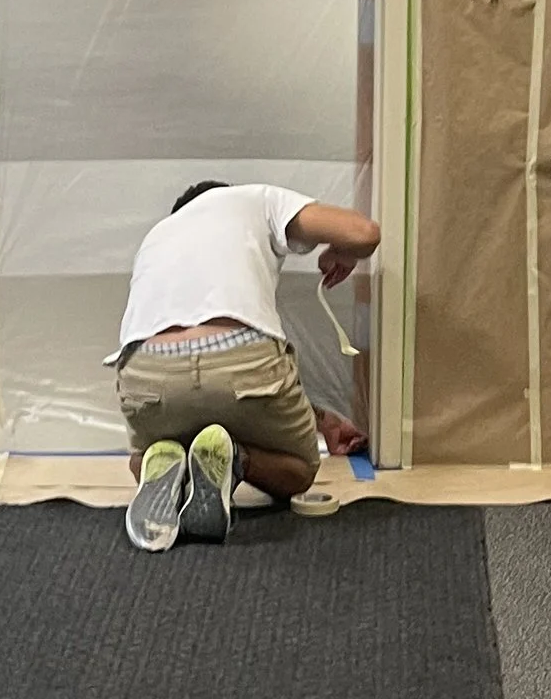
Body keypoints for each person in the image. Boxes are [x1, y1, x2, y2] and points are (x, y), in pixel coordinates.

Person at [116, 179, 380, 554]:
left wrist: (322, 419)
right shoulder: (255, 199)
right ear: (224, 193)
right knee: (299, 471)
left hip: (147, 368)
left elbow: (195, 372)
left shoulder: (158, 235)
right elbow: (364, 233)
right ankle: (236, 458)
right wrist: (343, 253)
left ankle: (169, 458)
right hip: (239, 361)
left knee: (142, 458)